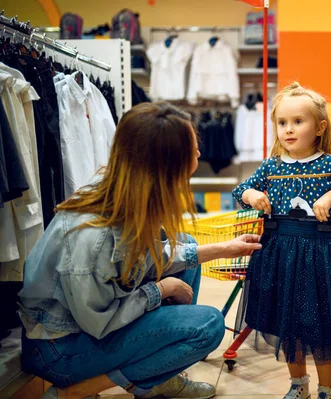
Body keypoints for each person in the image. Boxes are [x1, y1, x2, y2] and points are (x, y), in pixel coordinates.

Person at [18, 102, 262, 399]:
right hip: (59, 350)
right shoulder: (94, 237)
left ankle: (157, 375)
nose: (199, 151)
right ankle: (76, 392)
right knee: (207, 325)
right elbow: (99, 322)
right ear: (166, 162)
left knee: (188, 246)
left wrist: (226, 248)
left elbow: (148, 255)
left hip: (81, 326)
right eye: (191, 147)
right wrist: (160, 289)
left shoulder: (124, 188)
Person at [232, 82, 331, 399]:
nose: (288, 130)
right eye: (282, 123)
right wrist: (253, 194)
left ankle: (328, 388)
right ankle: (299, 385)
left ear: (319, 127)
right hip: (278, 255)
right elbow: (239, 191)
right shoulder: (270, 167)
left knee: (322, 325)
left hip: (319, 257)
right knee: (289, 324)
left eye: (298, 122)